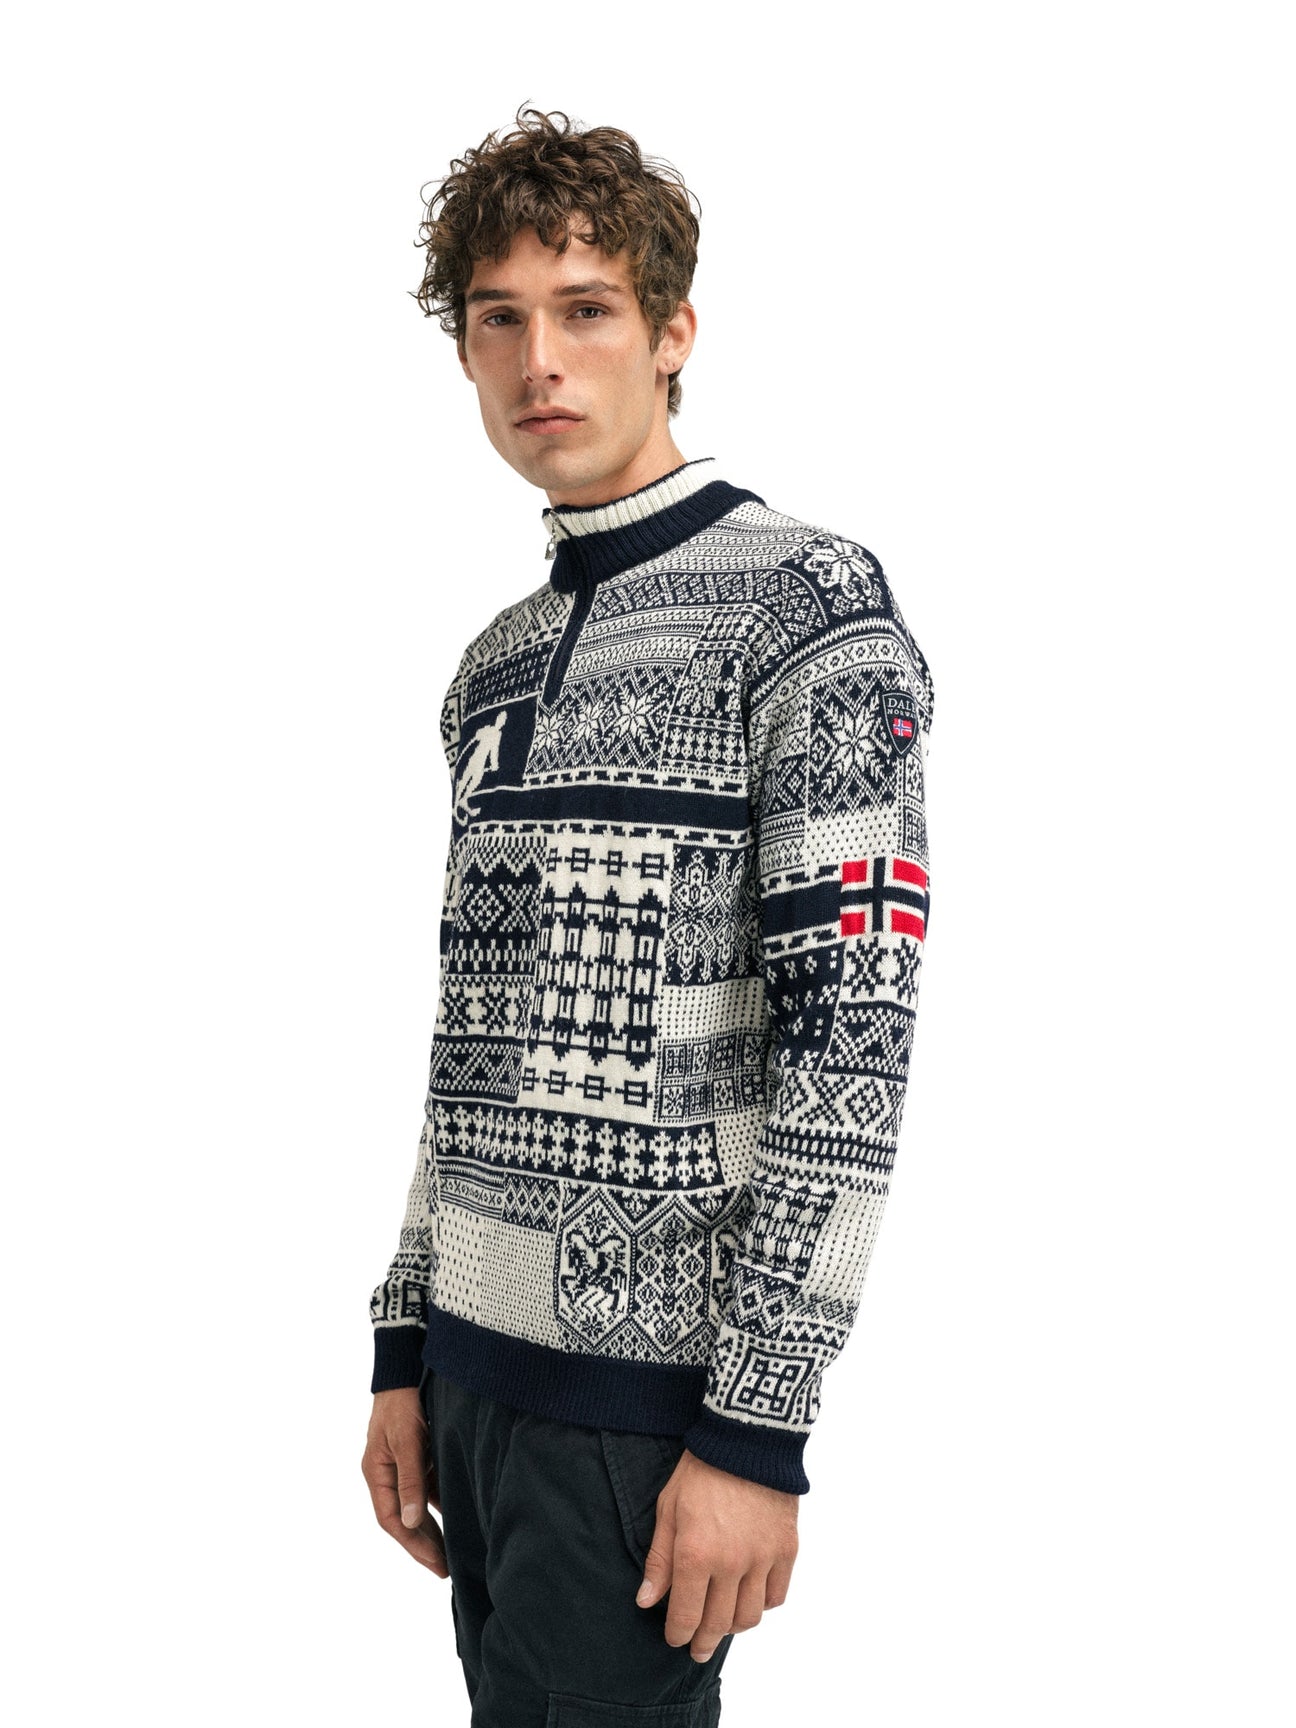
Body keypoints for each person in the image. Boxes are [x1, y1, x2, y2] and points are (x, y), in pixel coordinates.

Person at [361, 105, 936, 1726]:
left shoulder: (806, 609)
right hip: (473, 1383)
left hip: (646, 1417)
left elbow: (854, 1040)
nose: (539, 360)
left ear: (674, 332)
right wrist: (403, 1341)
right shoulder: (492, 663)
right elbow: (468, 1038)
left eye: (587, 309)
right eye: (499, 319)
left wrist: (757, 1429)